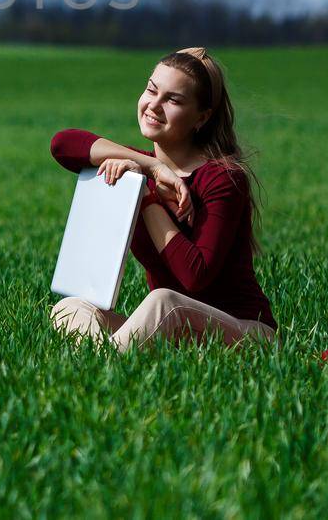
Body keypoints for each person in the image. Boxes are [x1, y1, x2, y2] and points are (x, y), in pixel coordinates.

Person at [49, 46, 276, 352]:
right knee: (73, 306)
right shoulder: (142, 168)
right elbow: (63, 144)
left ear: (201, 118)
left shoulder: (223, 178)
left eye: (173, 99)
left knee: (164, 301)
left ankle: (101, 367)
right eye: (151, 90)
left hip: (243, 334)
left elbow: (194, 277)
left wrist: (146, 197)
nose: (153, 106)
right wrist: (152, 168)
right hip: (177, 334)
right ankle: (111, 357)